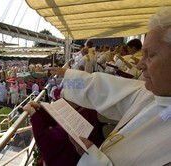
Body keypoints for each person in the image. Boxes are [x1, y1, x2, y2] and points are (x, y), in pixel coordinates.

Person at [49, 7, 171, 166]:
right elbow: (103, 88)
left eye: (150, 55)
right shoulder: (155, 95)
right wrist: (68, 78)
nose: (141, 64)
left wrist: (94, 160)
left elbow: (100, 86)